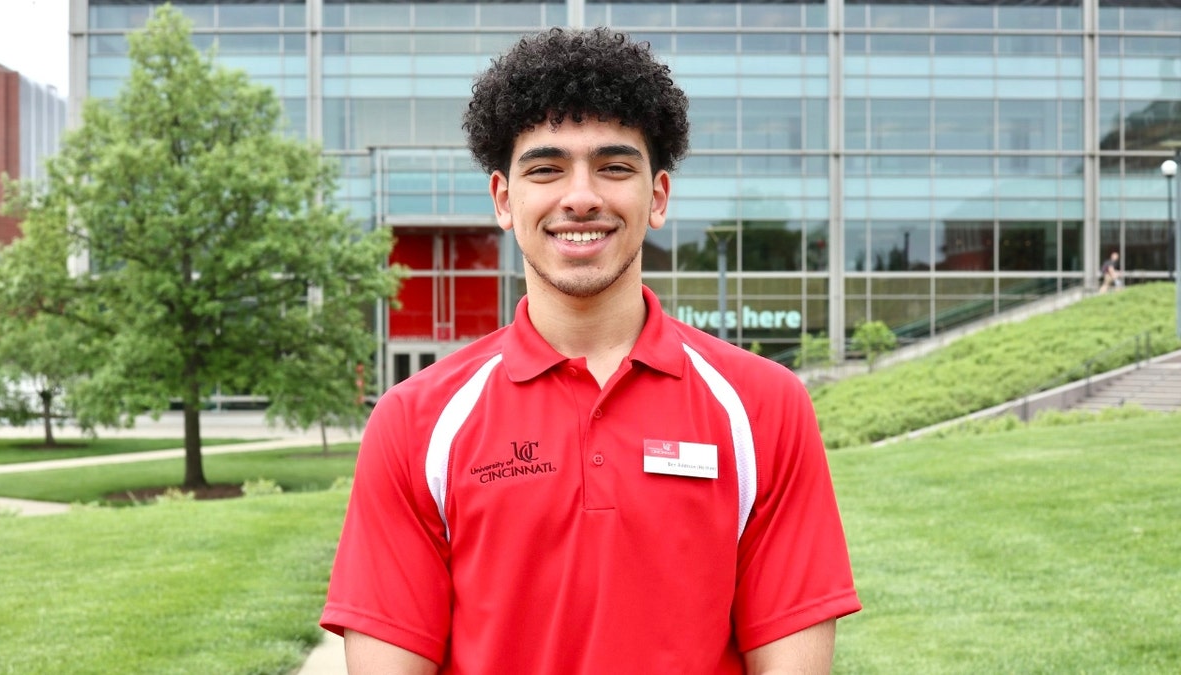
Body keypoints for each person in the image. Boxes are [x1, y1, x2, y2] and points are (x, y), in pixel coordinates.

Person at [320, 27, 861, 674]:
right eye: (547, 168)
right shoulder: (415, 423)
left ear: (656, 196)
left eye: (614, 166)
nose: (581, 196)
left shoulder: (764, 407)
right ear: (503, 199)